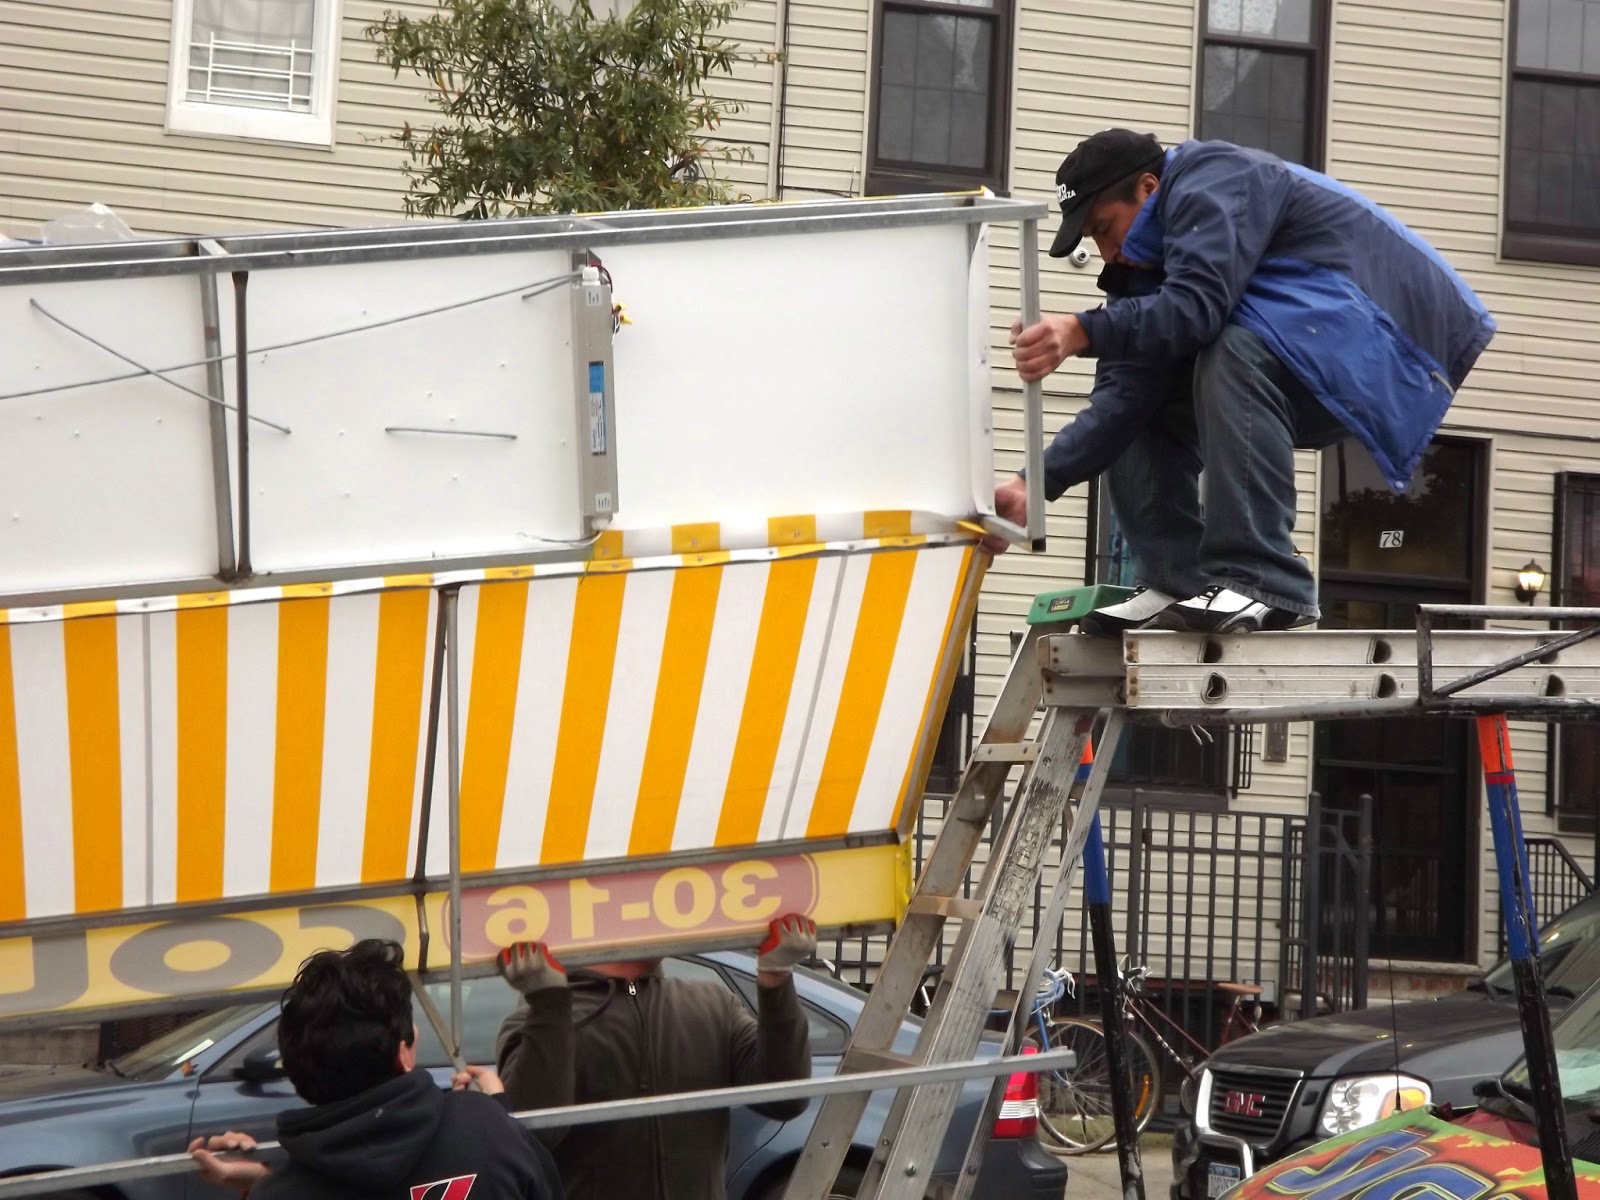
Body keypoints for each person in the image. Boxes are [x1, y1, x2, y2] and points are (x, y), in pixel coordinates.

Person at [996, 129, 1496, 635]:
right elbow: (1123, 396)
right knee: (1140, 404)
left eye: (1105, 229)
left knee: (1232, 348)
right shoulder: (1148, 267)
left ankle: (1268, 582)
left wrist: (1083, 329)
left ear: (1148, 189)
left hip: (1395, 340)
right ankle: (1177, 581)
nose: (1107, 253)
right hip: (1305, 341)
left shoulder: (1213, 179)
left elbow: (1196, 310)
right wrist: (1031, 484)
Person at [188, 938, 564, 1200]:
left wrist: (268, 1185)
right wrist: (496, 1115)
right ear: (403, 1055)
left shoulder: (282, 1192)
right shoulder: (486, 1128)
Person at [494, 913, 817, 1199]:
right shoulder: (538, 1022)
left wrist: (777, 979)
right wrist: (549, 1004)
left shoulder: (712, 1004)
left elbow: (785, 1098)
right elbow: (534, 1137)